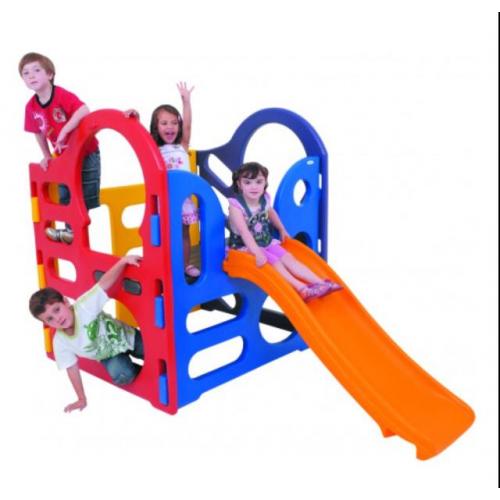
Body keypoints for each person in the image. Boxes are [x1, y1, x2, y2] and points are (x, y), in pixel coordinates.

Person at [29, 255, 143, 413]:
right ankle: (146, 374)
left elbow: (104, 284)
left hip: (127, 336)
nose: (57, 318)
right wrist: (81, 397)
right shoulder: (60, 342)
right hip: (109, 356)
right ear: (46, 323)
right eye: (50, 319)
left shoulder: (84, 307)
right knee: (122, 375)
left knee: (154, 350)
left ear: (65, 302)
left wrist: (123, 261)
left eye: (57, 310)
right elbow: (71, 368)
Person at [227, 162, 342, 302]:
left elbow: (271, 213)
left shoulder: (264, 199)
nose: (254, 186)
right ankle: (302, 289)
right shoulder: (236, 207)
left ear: (265, 183)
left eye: (259, 182)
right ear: (239, 184)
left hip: (265, 241)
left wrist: (282, 229)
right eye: (247, 182)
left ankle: (321, 282)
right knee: (274, 261)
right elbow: (244, 232)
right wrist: (256, 252)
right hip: (243, 247)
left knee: (289, 258)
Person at [19, 52, 101, 244]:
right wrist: (47, 155)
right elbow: (38, 133)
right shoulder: (31, 107)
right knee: (66, 194)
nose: (31, 76)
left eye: (36, 70)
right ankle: (70, 231)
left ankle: (74, 231)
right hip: (63, 156)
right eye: (26, 73)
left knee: (86, 194)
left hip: (86, 152)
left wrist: (65, 130)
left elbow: (84, 110)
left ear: (50, 74)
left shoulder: (61, 95)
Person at [127, 82, 200, 277]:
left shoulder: (182, 145)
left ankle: (185, 265)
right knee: (164, 236)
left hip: (182, 200)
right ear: (156, 126)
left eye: (174, 123)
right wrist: (135, 119)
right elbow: (140, 138)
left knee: (184, 234)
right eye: (164, 123)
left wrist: (186, 101)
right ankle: (165, 267)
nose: (170, 127)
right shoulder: (154, 149)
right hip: (164, 201)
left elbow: (188, 123)